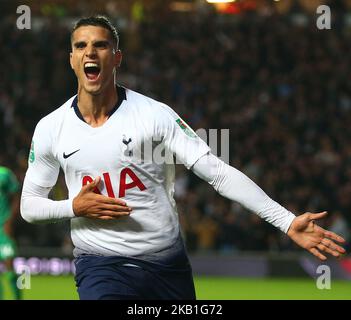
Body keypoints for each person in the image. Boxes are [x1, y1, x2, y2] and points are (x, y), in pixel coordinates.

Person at [20, 15, 346, 300]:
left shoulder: (155, 117)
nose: (90, 52)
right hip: (100, 264)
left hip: (167, 265)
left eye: (101, 45)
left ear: (117, 57)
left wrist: (286, 221)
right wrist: (73, 207)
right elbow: (30, 206)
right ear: (72, 59)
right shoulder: (52, 128)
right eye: (81, 46)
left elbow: (217, 173)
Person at [0, 165, 21, 300]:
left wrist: (10, 221)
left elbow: (16, 196)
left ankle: (17, 297)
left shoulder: (5, 173)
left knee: (10, 267)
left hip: (3, 227)